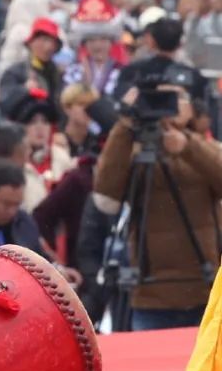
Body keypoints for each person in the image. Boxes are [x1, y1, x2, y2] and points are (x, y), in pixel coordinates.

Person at [94, 85, 222, 331]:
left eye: (176, 97)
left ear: (191, 108)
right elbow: (106, 199)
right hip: (150, 293)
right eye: (157, 98)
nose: (167, 105)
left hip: (204, 288)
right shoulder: (133, 151)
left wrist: (188, 147)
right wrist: (124, 125)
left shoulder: (206, 147)